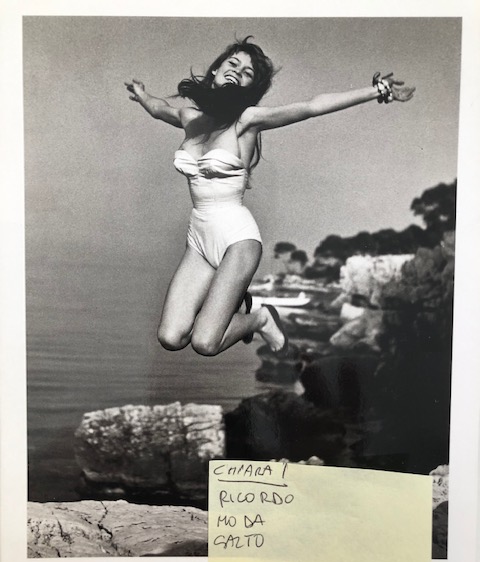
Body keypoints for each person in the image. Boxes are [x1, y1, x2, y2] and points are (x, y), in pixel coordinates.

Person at [125, 37, 414, 358]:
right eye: (232, 63)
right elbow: (159, 109)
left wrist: (377, 90)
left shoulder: (248, 121)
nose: (237, 71)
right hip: (199, 239)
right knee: (171, 337)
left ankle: (260, 318)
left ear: (250, 87)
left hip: (237, 239)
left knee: (205, 343)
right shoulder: (189, 118)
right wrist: (142, 95)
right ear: (216, 70)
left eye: (247, 73)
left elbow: (311, 106)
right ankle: (242, 303)